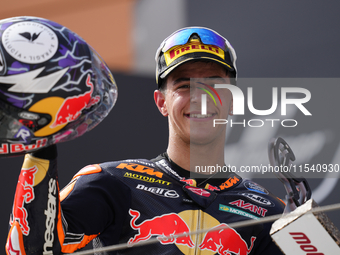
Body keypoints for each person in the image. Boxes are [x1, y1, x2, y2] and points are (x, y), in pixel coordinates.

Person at [5, 21, 285, 255]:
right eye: (184, 86)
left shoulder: (269, 211)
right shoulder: (110, 182)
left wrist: (309, 235)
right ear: (161, 102)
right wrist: (41, 148)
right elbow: (28, 249)